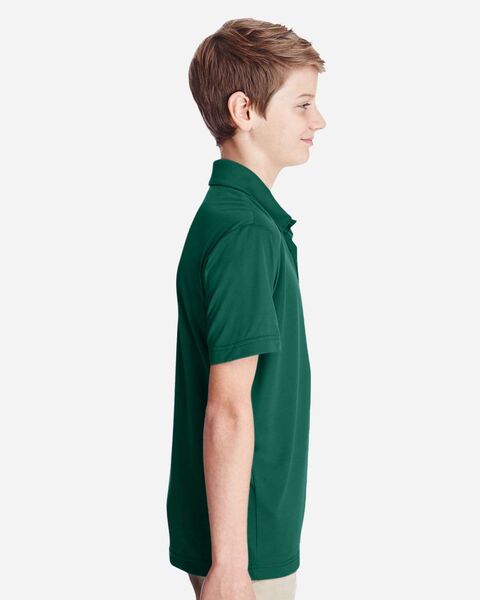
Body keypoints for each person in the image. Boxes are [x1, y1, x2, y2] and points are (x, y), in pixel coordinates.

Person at [166, 17, 326, 600]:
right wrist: (231, 566)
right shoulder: (246, 234)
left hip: (243, 532)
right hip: (245, 545)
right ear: (245, 110)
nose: (318, 121)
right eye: (302, 104)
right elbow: (228, 409)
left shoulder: (240, 220)